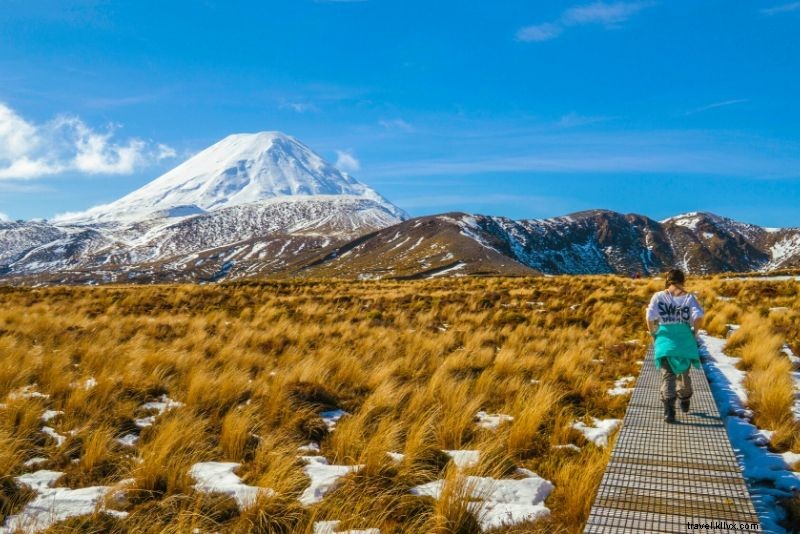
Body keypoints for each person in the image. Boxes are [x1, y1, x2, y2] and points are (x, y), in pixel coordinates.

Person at [644, 269, 704, 423]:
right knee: (684, 374)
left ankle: (669, 411)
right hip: (685, 342)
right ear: (682, 281)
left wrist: (653, 333)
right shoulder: (689, 298)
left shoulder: (658, 296)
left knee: (668, 376)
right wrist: (694, 333)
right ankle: (685, 399)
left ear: (668, 281)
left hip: (665, 342)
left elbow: (649, 316)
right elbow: (698, 317)